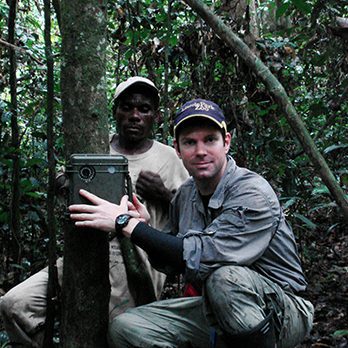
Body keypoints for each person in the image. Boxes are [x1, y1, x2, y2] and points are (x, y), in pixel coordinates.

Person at [69, 98, 314, 348]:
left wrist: (124, 223)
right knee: (127, 328)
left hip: (281, 311)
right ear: (177, 149)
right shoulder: (186, 195)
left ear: (226, 142)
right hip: (215, 307)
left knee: (226, 278)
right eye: (190, 142)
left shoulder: (252, 193)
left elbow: (206, 255)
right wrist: (144, 225)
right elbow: (172, 260)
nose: (200, 151)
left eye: (210, 140)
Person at [0, 77, 189, 347]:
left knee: (116, 335)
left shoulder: (170, 157)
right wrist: (65, 182)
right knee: (15, 305)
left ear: (156, 116)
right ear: (114, 112)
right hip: (82, 256)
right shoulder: (95, 144)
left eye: (144, 109)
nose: (135, 116)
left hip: (135, 268)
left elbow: (191, 220)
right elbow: (62, 180)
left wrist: (164, 194)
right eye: (127, 107)